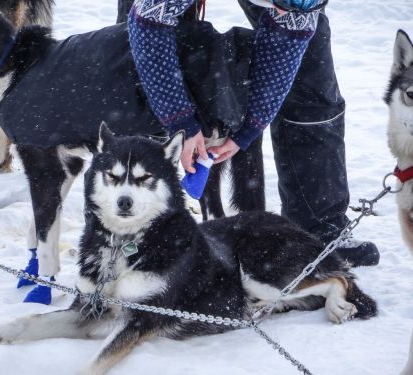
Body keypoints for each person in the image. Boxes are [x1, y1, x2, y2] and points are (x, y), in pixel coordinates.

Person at [119, 0, 380, 267]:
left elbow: (288, 42)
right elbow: (149, 25)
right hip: (153, 12)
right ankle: (127, 236)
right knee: (132, 76)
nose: (283, 12)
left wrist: (251, 126)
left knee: (312, 83)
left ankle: (320, 229)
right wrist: (179, 120)